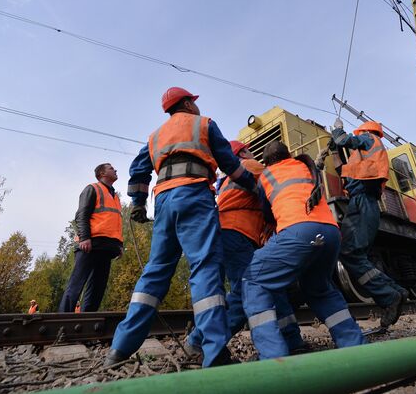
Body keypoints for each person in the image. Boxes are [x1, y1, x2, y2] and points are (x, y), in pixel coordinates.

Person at [105, 87, 257, 368]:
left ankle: (119, 349)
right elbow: (231, 164)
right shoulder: (204, 124)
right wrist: (253, 185)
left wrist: (138, 202)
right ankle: (214, 353)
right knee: (204, 268)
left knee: (156, 270)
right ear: (187, 103)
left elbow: (138, 169)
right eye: (194, 102)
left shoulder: (155, 136)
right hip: (194, 196)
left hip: (163, 202)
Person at [242, 141, 365, 359]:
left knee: (254, 280)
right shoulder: (305, 167)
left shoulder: (266, 175)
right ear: (288, 154)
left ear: (267, 162)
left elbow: (268, 214)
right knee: (319, 288)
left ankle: (273, 357)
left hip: (298, 232)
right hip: (331, 233)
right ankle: (354, 345)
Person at [186, 141, 304, 357]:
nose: (252, 152)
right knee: (248, 290)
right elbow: (279, 184)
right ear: (242, 152)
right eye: (248, 149)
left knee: (267, 284)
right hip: (237, 233)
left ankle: (291, 338)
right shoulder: (251, 165)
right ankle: (201, 342)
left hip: (227, 233)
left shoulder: (227, 180)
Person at [331, 119, 408, 327]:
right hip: (362, 202)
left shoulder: (370, 139)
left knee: (349, 253)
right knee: (352, 253)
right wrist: (334, 152)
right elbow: (344, 172)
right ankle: (396, 292)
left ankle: (388, 296)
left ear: (365, 131)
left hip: (363, 202)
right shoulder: (363, 159)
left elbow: (343, 138)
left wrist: (337, 130)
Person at [58, 163, 124, 313]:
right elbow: (81, 215)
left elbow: (115, 222)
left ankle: (87, 322)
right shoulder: (92, 189)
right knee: (76, 285)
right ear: (102, 173)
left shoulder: (115, 197)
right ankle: (61, 321)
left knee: (97, 289)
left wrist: (119, 244)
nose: (115, 170)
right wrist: (84, 238)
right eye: (111, 168)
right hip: (90, 245)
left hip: (107, 248)